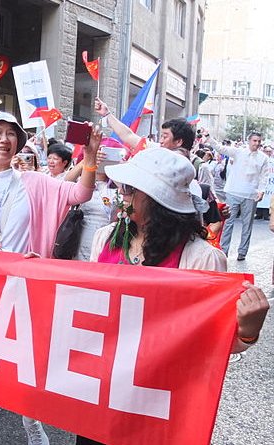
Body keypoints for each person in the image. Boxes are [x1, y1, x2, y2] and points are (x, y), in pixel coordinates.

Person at [78, 147, 270, 445]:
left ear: (157, 200)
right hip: (101, 391)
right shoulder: (107, 237)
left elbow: (213, 344)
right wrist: (37, 277)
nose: (121, 194)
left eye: (130, 188)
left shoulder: (202, 258)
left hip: (158, 401)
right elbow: (84, 305)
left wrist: (247, 330)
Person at [0, 111, 99, 445]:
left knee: (26, 365)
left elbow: (80, 195)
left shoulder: (35, 182)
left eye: (11, 133)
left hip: (24, 290)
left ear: (18, 142)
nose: (4, 139)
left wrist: (89, 158)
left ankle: (31, 424)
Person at [216, 132, 269, 260]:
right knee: (228, 223)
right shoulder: (238, 152)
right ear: (249, 141)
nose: (257, 143)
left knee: (247, 224)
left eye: (259, 141)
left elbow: (264, 176)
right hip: (233, 192)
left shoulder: (263, 158)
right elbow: (221, 149)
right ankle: (224, 250)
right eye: (254, 141)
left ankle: (242, 252)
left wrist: (261, 190)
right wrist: (207, 139)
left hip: (251, 195)